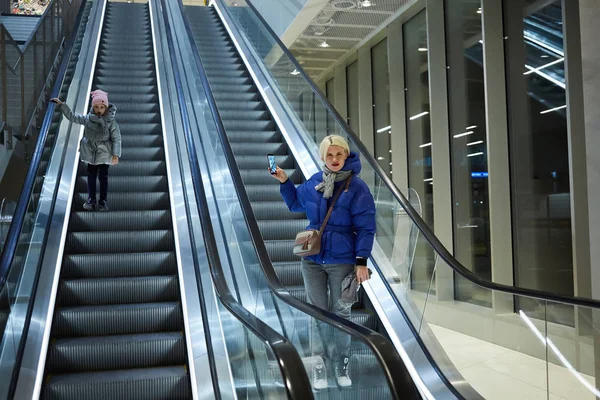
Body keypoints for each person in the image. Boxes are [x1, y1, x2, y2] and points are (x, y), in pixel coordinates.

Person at [270, 134, 375, 389]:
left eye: (339, 154)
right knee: (316, 312)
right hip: (313, 259)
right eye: (329, 155)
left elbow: (366, 226)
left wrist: (361, 261)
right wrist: (284, 181)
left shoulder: (356, 187)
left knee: (340, 312)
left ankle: (341, 361)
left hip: (342, 259)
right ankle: (319, 363)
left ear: (346, 155)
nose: (335, 159)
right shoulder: (315, 182)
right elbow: (296, 204)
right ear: (322, 157)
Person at [51, 90, 121, 211]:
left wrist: (115, 154)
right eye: (96, 107)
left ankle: (103, 201)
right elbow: (73, 117)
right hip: (91, 154)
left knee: (103, 177)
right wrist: (62, 105)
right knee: (91, 176)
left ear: (106, 108)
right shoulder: (88, 119)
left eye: (102, 107)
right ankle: (91, 199)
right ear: (93, 107)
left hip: (105, 154)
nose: (99, 109)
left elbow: (116, 138)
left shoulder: (111, 123)